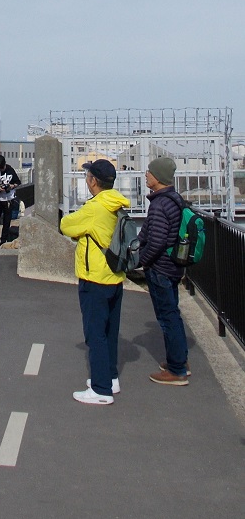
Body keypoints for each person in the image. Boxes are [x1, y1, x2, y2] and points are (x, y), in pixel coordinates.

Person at [59, 159, 130, 404]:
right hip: (114, 276)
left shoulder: (94, 207)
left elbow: (65, 225)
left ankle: (101, 390)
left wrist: (82, 230)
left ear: (94, 181)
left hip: (95, 277)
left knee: (95, 333)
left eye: (88, 175)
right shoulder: (116, 204)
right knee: (110, 331)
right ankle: (110, 377)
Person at [138, 157, 190, 385]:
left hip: (161, 268)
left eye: (149, 172)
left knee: (167, 317)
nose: (146, 175)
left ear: (158, 177)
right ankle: (179, 361)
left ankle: (177, 370)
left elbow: (156, 240)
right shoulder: (174, 199)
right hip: (173, 266)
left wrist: (142, 261)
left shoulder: (159, 204)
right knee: (173, 314)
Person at [0, 155, 21, 246]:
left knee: (6, 222)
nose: (2, 169)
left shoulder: (10, 170)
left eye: (3, 167)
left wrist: (12, 186)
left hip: (9, 199)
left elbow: (17, 182)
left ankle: (3, 242)